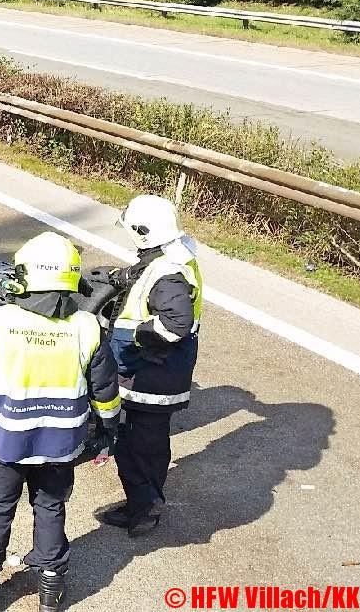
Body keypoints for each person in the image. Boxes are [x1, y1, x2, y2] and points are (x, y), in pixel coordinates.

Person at [0, 232, 120, 612]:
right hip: (60, 446)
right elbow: (104, 387)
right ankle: (51, 591)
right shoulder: (88, 327)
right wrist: (109, 426)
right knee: (51, 508)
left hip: (3, 442)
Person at [95, 195, 203, 537]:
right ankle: (138, 502)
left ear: (143, 231)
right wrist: (121, 277)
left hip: (153, 375)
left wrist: (133, 338)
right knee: (132, 443)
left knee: (143, 446)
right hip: (151, 371)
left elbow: (174, 324)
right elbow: (146, 274)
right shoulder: (169, 255)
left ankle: (146, 509)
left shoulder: (168, 274)